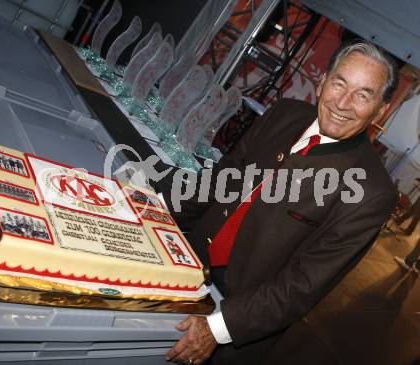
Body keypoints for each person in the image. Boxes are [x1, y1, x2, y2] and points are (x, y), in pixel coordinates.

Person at [164, 41, 399, 365]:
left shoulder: (372, 191)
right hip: (181, 264)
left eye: (363, 95)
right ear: (323, 81)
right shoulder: (285, 112)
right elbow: (221, 181)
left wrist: (217, 329)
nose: (343, 103)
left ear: (381, 109)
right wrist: (157, 215)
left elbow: (303, 285)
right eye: (339, 83)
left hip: (232, 326)